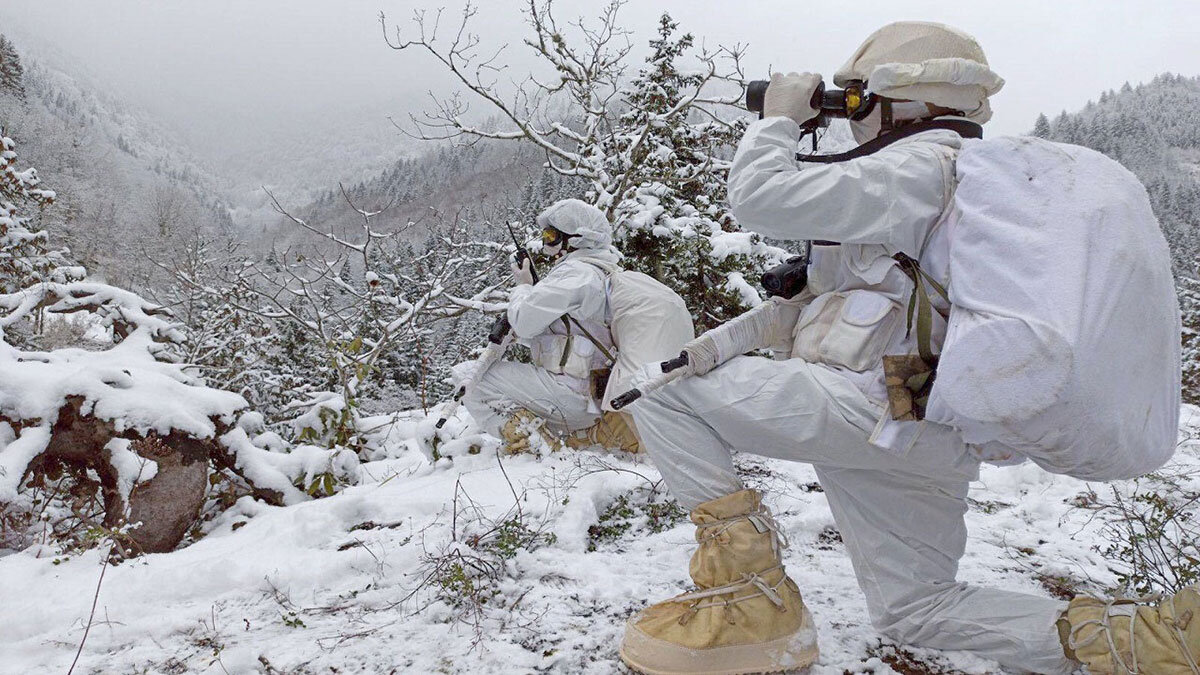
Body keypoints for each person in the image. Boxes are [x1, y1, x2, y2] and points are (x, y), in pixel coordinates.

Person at [618, 21, 1199, 675]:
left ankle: (754, 602)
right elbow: (836, 299)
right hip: (926, 410)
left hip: (873, 400)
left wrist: (780, 117)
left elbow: (757, 197)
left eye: (859, 100)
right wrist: (750, 325)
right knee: (915, 607)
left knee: (655, 394)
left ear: (906, 97)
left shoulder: (920, 165)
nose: (853, 116)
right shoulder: (960, 187)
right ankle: (1144, 639)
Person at [463, 199, 639, 455]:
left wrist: (523, 287)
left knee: (469, 378)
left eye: (552, 235)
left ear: (577, 238)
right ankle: (584, 435)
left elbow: (523, 321)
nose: (547, 242)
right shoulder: (599, 273)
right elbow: (565, 339)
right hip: (591, 394)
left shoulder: (576, 274)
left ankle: (533, 443)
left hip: (574, 395)